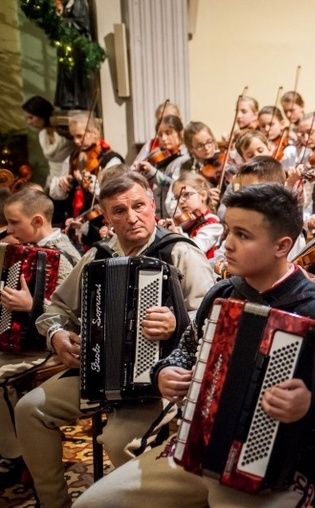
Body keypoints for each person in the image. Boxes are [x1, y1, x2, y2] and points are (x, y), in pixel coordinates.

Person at [73, 183, 315, 508]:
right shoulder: (222, 294)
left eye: (243, 235)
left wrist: (311, 404)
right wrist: (166, 371)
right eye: (228, 231)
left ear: (282, 245)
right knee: (94, 503)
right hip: (198, 446)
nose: (227, 244)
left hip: (279, 468)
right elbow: (187, 351)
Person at [15, 173, 215, 508]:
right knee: (29, 409)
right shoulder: (98, 255)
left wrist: (179, 323)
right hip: (96, 371)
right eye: (119, 211)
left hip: (157, 383)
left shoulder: (180, 253)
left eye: (139, 206)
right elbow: (56, 308)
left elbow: (213, 317)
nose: (132, 217)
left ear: (152, 205)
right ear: (107, 218)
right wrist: (57, 335)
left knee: (119, 440)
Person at [0, 189, 81, 487]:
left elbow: (74, 313)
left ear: (36, 221)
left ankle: (19, 456)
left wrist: (30, 305)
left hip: (50, 344)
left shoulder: (64, 254)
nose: (8, 230)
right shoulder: (21, 248)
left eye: (13, 222)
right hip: (20, 340)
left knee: (1, 380)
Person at [49, 113, 124, 226]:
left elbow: (113, 193)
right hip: (74, 217)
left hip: (99, 222)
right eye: (73, 136)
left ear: (95, 133)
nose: (76, 141)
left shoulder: (111, 159)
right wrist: (62, 183)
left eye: (79, 136)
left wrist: (89, 183)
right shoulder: (73, 156)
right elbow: (57, 194)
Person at [134, 114, 186, 218]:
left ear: (180, 133)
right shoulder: (159, 156)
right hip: (159, 215)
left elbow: (175, 186)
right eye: (160, 134)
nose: (163, 138)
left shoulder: (184, 160)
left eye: (168, 133)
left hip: (175, 215)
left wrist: (152, 172)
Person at [164, 173, 224, 259]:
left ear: (203, 195)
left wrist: (176, 233)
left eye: (186, 195)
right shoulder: (187, 221)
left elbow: (196, 249)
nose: (180, 201)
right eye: (177, 198)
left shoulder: (213, 225)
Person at [22, 95, 75, 189]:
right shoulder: (43, 134)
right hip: (53, 182)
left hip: (69, 181)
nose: (29, 122)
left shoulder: (64, 132)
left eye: (31, 117)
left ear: (42, 114)